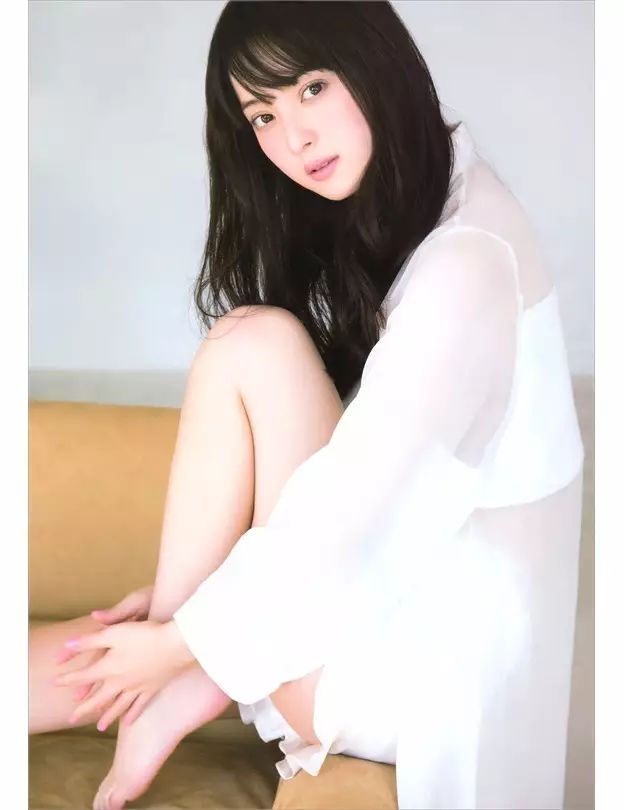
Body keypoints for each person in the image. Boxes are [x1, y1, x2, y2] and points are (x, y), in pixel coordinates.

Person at [28, 2, 585, 809]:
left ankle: (173, 689)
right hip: (412, 608)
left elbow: (351, 517)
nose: (294, 137)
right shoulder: (440, 192)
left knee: (252, 344)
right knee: (251, 343)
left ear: (375, 62)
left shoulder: (469, 263)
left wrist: (183, 643)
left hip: (425, 683)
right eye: (263, 113)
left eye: (312, 87)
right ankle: (173, 682)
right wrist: (189, 622)